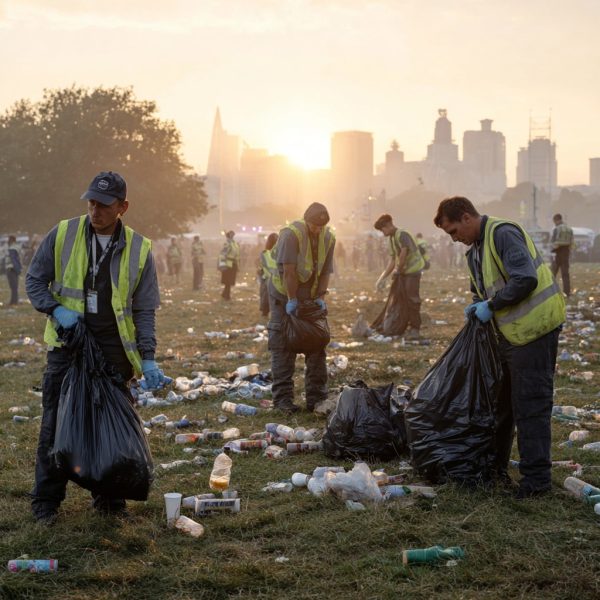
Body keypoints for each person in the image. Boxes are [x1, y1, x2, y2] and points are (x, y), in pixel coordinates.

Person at [26, 170, 164, 523]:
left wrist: (148, 358)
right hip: (68, 348)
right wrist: (56, 309)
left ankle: (109, 498)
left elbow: (144, 309)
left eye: (104, 205)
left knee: (112, 427)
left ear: (123, 207)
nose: (95, 210)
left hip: (114, 352)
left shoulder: (139, 248)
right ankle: (46, 503)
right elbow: (35, 280)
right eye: (91, 202)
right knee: (54, 425)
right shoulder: (64, 233)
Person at [434, 196, 566, 499]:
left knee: (530, 405)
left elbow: (525, 279)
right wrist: (476, 306)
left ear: (466, 217)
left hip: (536, 330)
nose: (455, 239)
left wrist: (491, 306)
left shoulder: (502, 234)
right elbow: (479, 292)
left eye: (454, 231)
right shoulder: (474, 253)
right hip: (510, 336)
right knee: (500, 405)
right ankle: (494, 471)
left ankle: (536, 482)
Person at [267, 202, 335, 413]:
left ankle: (316, 398)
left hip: (312, 296)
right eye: (314, 225)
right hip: (283, 295)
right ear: (306, 220)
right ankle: (283, 400)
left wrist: (321, 296)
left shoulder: (328, 237)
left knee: (316, 343)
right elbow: (288, 271)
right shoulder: (290, 234)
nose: (316, 230)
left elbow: (325, 271)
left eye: (320, 226)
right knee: (283, 344)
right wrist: (292, 299)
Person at [373, 214, 425, 339]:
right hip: (404, 272)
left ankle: (415, 328)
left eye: (382, 229)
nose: (382, 232)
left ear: (389, 225)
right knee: (404, 299)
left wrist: (398, 270)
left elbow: (403, 254)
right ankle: (406, 325)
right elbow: (392, 261)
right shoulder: (391, 239)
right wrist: (381, 278)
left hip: (413, 270)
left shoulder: (402, 234)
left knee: (412, 299)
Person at [550, 213, 573, 297]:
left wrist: (552, 250)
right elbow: (571, 242)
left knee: (552, 274)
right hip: (566, 253)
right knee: (565, 274)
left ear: (556, 220)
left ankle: (550, 292)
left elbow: (553, 242)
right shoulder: (569, 229)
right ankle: (567, 292)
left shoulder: (557, 229)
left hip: (557, 253)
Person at [258, 233, 278, 317]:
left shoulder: (279, 253)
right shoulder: (265, 253)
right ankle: (265, 312)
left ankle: (266, 312)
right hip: (269, 278)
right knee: (266, 296)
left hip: (274, 278)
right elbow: (267, 266)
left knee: (268, 296)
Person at [218, 230, 240, 301]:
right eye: (231, 234)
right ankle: (227, 295)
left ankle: (225, 294)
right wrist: (222, 265)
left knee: (231, 281)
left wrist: (238, 264)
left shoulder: (234, 243)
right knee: (228, 281)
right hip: (228, 263)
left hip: (234, 263)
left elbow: (237, 254)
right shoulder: (227, 243)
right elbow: (223, 254)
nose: (232, 235)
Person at [6, 235, 22, 305]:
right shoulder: (13, 247)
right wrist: (18, 270)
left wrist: (18, 269)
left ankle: (14, 301)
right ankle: (14, 301)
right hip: (12, 269)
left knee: (13, 287)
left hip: (11, 269)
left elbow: (14, 260)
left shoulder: (12, 248)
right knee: (14, 287)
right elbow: (15, 260)